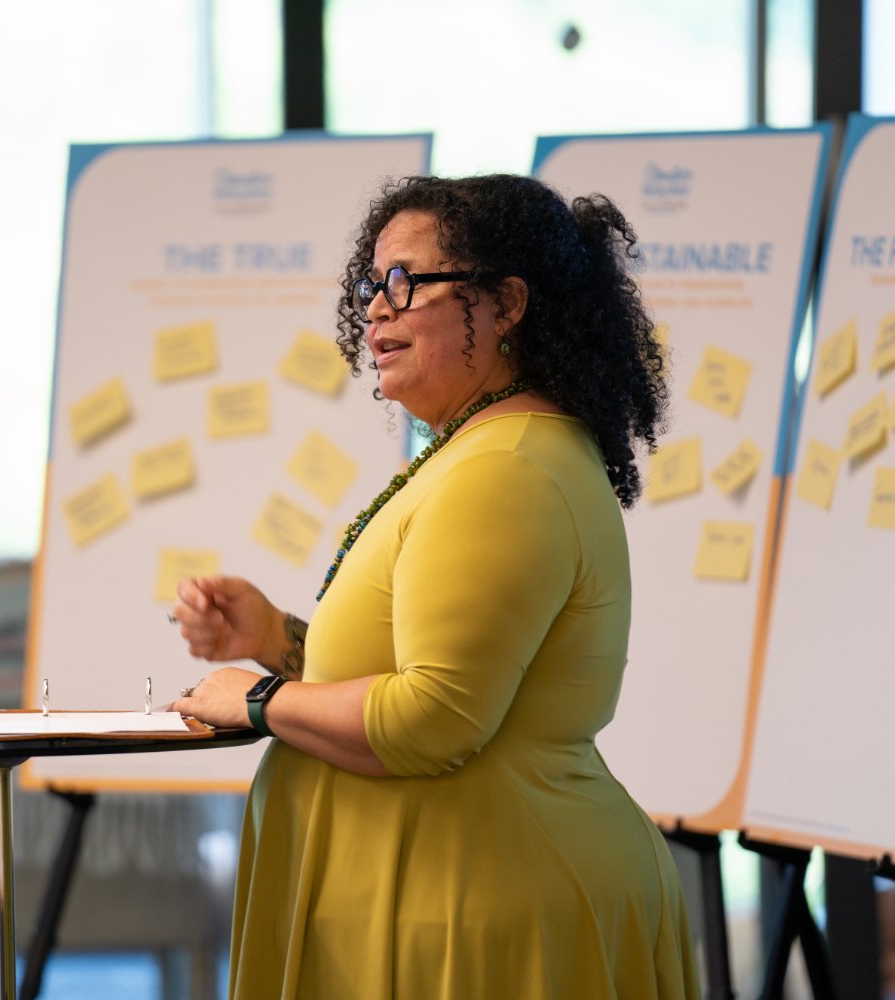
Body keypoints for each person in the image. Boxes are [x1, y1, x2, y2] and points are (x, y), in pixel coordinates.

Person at [169, 173, 700, 998]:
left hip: (477, 917)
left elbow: (431, 718)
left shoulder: (508, 468)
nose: (376, 311)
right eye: (370, 286)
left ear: (506, 303)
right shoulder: (484, 453)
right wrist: (275, 639)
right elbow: (416, 669)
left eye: (405, 282)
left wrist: (257, 697)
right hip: (441, 898)